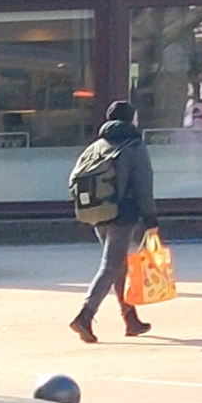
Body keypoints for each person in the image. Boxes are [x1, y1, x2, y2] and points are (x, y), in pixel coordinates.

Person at [66, 100, 159, 344]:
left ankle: (130, 318)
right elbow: (143, 185)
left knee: (119, 266)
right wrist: (150, 217)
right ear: (131, 119)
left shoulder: (98, 145)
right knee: (111, 266)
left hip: (98, 213)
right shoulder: (134, 145)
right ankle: (85, 316)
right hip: (123, 213)